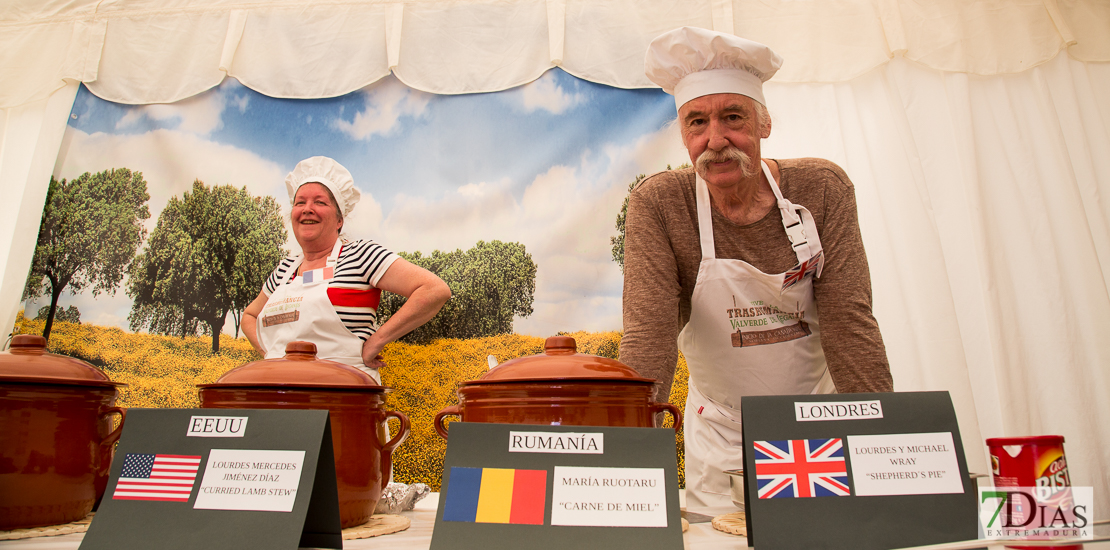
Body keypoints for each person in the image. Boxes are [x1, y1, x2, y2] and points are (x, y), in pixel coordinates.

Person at [621, 27, 894, 507]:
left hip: (818, 428)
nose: (716, 139)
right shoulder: (661, 204)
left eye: (733, 118)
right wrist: (625, 463)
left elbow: (850, 323)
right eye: (697, 122)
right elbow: (650, 336)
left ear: (764, 123)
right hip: (723, 437)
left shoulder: (823, 189)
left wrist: (882, 444)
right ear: (683, 132)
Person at [243, 156, 451, 383]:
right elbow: (250, 316)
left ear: (339, 219)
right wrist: (270, 354)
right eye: (300, 202)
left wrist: (376, 341)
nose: (307, 209)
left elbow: (433, 290)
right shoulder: (284, 270)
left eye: (320, 202)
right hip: (279, 394)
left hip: (344, 396)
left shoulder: (361, 255)